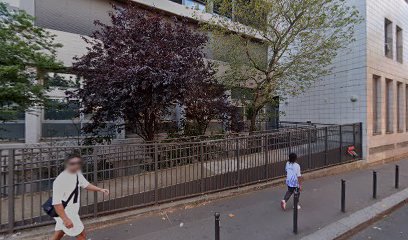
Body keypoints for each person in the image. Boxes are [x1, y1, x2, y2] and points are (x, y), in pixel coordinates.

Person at [51, 153, 109, 240]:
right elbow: (56, 203)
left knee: (59, 233)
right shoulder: (60, 180)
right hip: (67, 214)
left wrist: (100, 189)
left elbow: (86, 185)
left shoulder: (77, 174)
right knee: (81, 235)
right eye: (72, 163)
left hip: (70, 212)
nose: (76, 166)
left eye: (78, 163)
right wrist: (66, 219)